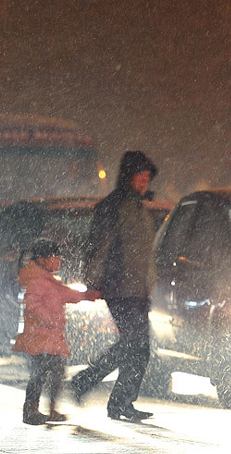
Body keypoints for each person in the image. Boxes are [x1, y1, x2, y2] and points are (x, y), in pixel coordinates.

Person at [70, 151, 159, 421]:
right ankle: (89, 383)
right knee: (135, 344)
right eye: (140, 176)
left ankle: (117, 401)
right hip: (119, 285)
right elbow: (100, 245)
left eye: (147, 178)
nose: (144, 182)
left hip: (138, 288)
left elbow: (146, 251)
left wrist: (149, 284)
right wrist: (93, 281)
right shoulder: (114, 206)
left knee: (138, 348)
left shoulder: (139, 207)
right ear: (128, 176)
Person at [14, 238, 99, 425]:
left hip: (51, 338)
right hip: (39, 338)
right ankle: (31, 410)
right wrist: (50, 319)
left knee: (56, 373)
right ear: (44, 259)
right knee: (39, 374)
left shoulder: (49, 281)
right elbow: (32, 306)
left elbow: (66, 294)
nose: (58, 260)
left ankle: (50, 409)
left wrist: (85, 296)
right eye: (55, 256)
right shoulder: (37, 281)